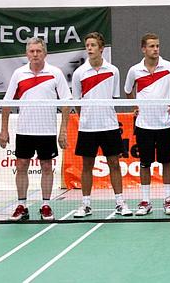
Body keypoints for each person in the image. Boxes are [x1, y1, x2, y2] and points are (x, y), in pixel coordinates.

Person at [0, 37, 70, 221]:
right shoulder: (19, 74)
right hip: (24, 130)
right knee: (21, 165)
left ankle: (46, 205)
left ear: (45, 53)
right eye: (32, 51)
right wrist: (4, 130)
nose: (35, 54)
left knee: (47, 166)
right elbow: (7, 103)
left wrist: (63, 130)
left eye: (39, 51)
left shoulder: (55, 73)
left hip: (47, 131)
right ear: (27, 54)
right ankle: (22, 205)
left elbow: (66, 103)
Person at [70, 32, 127, 218]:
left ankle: (120, 203)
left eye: (93, 45)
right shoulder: (79, 73)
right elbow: (77, 102)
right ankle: (86, 204)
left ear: (101, 48)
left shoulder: (113, 70)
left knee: (114, 164)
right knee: (87, 165)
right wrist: (86, 118)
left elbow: (114, 98)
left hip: (109, 125)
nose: (89, 48)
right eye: (87, 45)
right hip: (87, 127)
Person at [124, 33, 170, 216]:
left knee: (166, 162)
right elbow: (128, 91)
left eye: (157, 46)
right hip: (144, 125)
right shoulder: (134, 70)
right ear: (143, 49)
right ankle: (145, 201)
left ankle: (168, 200)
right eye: (151, 46)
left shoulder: (169, 67)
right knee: (144, 164)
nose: (155, 49)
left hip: (165, 124)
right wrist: (135, 106)